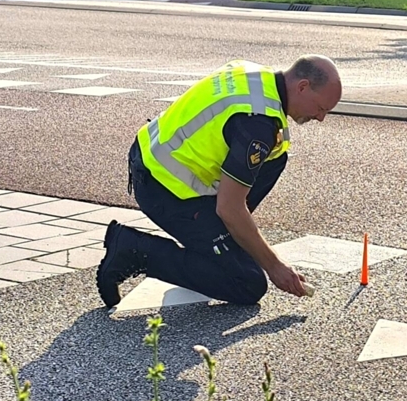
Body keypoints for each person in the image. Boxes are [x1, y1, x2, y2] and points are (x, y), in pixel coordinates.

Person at [95, 55, 343, 309]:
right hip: (163, 188)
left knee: (276, 156)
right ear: (302, 86)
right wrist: (275, 266)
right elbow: (229, 208)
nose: (321, 117)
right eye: (321, 108)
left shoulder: (253, 75)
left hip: (151, 157)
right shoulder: (257, 125)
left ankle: (215, 241)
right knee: (247, 282)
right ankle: (132, 250)